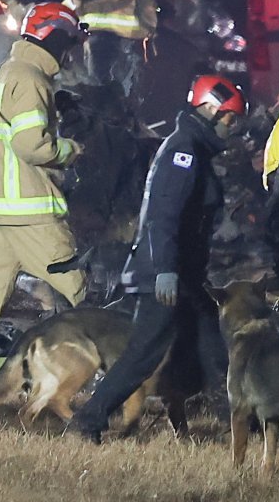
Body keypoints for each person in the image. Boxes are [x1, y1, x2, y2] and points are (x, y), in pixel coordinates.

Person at [67, 75, 247, 443]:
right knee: (143, 354)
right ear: (210, 110)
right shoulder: (184, 151)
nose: (234, 127)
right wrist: (165, 270)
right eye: (230, 119)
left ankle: (236, 420)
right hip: (162, 275)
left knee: (213, 346)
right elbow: (164, 216)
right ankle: (87, 421)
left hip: (184, 275)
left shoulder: (194, 148)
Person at [0, 2, 88, 336]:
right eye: (68, 41)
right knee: (73, 278)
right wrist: (69, 150)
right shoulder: (30, 80)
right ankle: (103, 349)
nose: (70, 52)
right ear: (54, 37)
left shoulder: (0, 75)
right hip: (27, 208)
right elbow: (30, 146)